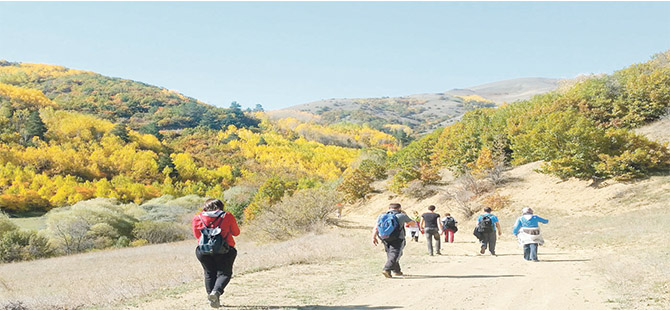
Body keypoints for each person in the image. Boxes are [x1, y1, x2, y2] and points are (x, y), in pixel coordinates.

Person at [192, 198, 241, 308]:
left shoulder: (197, 218)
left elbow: (197, 236)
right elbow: (236, 232)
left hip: (203, 250)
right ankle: (216, 292)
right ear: (221, 206)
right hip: (225, 249)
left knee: (209, 273)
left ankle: (211, 298)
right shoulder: (227, 216)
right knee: (224, 273)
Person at [372, 203, 415, 278]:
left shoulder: (381, 216)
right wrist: (405, 214)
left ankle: (396, 271)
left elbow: (376, 227)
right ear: (399, 208)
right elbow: (413, 224)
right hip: (397, 237)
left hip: (384, 237)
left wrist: (374, 237)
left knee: (390, 253)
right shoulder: (401, 215)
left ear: (389, 208)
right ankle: (386, 269)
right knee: (395, 253)